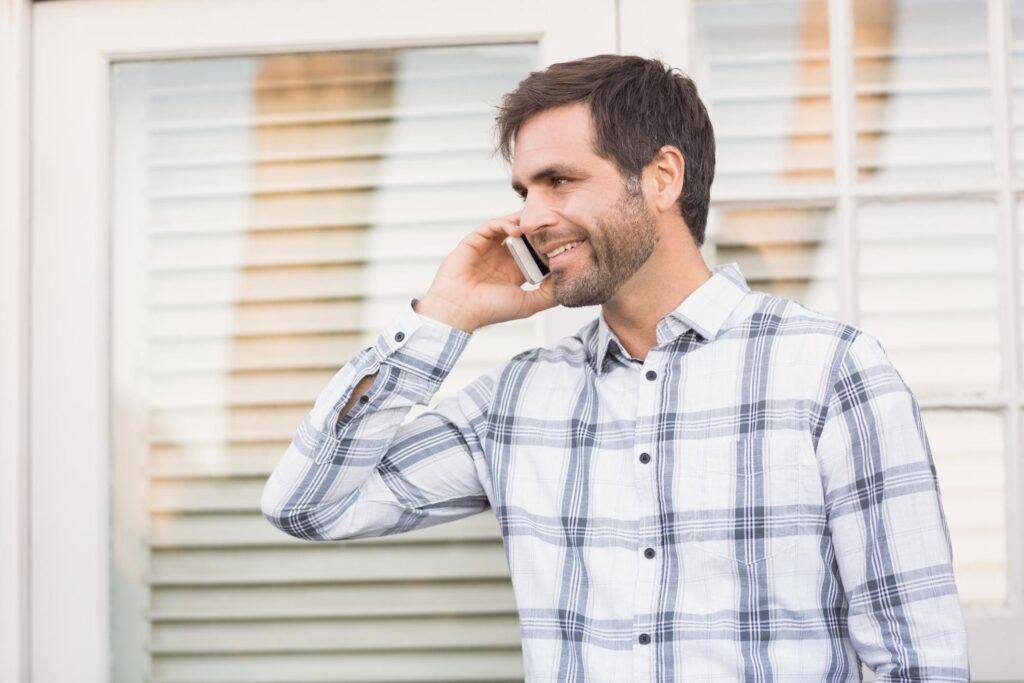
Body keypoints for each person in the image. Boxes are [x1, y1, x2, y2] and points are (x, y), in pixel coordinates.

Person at [261, 54, 969, 682]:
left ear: (662, 177)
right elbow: (308, 505)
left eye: (559, 181)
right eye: (523, 192)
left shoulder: (829, 370)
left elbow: (920, 658)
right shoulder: (517, 399)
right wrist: (442, 315)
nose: (530, 219)